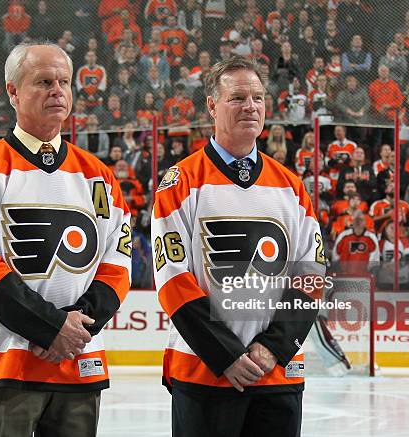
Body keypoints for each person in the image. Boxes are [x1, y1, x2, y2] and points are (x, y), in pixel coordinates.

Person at [0, 42, 132, 437]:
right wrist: (51, 329)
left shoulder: (100, 175)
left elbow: (118, 264)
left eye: (64, 82)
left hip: (78, 366)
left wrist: (74, 330)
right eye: (44, 81)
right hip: (3, 368)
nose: (58, 91)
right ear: (13, 92)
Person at [151, 57, 325, 437]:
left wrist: (272, 349)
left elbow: (311, 277)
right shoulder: (181, 182)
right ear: (212, 106)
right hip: (204, 375)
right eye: (238, 98)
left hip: (277, 375)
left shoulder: (291, 187)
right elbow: (172, 281)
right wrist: (227, 355)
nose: (251, 106)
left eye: (258, 98)